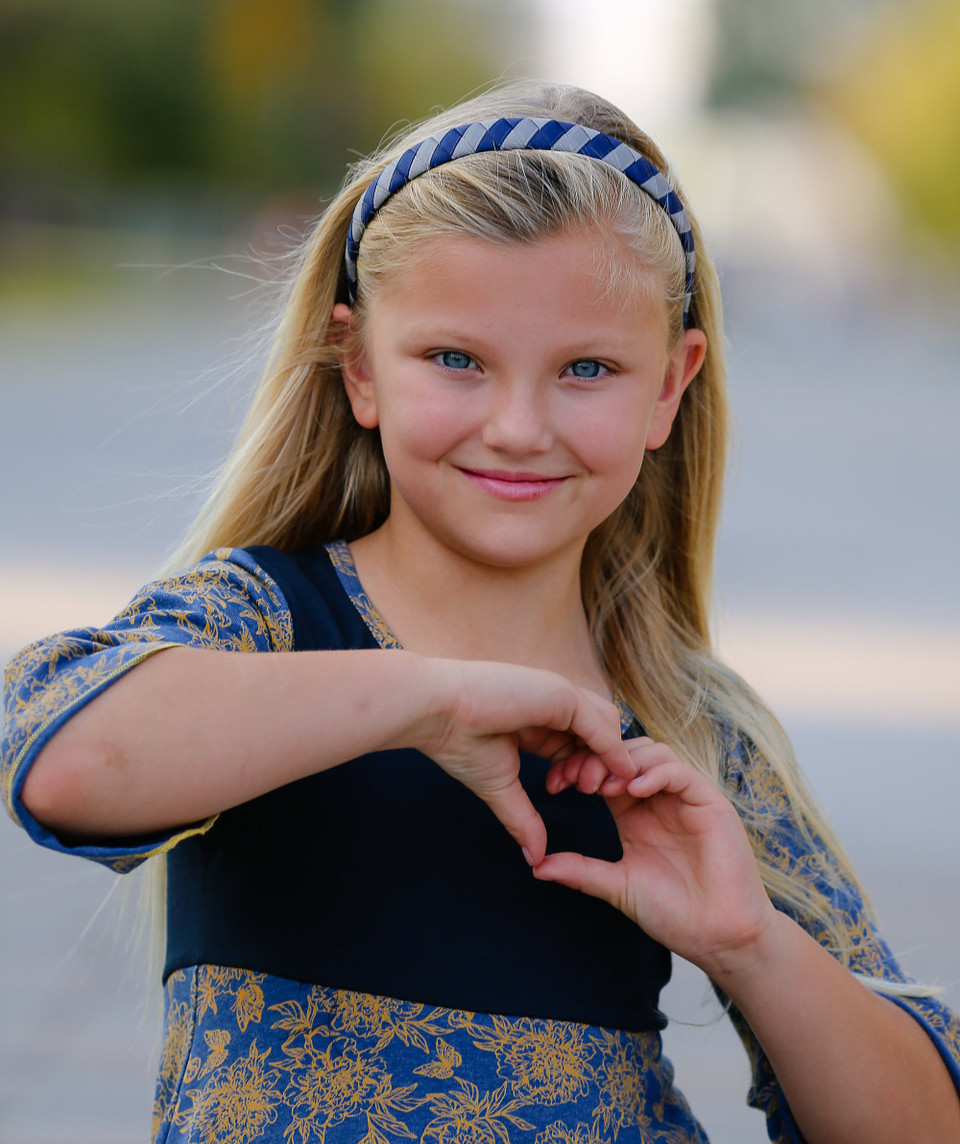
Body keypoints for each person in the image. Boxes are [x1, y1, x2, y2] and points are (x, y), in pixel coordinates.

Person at [2, 81, 958, 1144]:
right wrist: (429, 699)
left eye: (586, 369)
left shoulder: (683, 725)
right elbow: (66, 762)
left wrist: (749, 942)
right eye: (455, 359)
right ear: (359, 365)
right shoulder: (262, 618)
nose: (517, 426)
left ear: (669, 388)